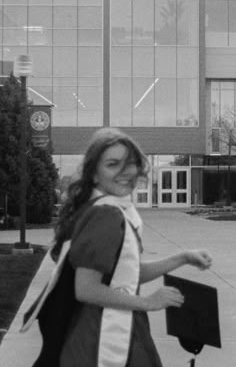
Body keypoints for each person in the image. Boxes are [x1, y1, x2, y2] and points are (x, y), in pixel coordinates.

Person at [33, 128, 212, 367]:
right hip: (105, 340)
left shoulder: (107, 208)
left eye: (130, 163)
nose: (125, 172)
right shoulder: (106, 215)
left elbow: (125, 275)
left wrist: (182, 258)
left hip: (117, 327)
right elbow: (86, 288)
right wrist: (149, 302)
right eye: (113, 164)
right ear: (94, 174)